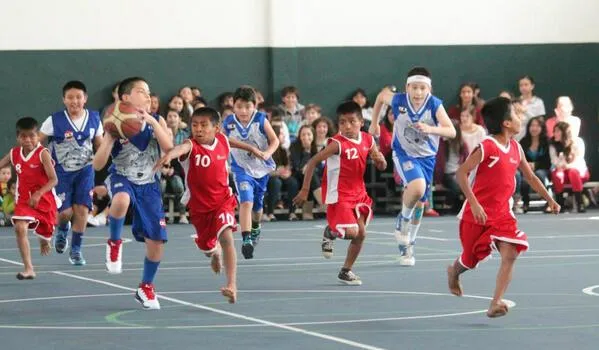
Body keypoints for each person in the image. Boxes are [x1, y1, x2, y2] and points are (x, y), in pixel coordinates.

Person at [446, 97, 560, 318]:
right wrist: (474, 203)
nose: (520, 119)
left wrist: (550, 199)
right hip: (476, 214)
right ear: (506, 123)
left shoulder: (516, 148)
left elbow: (531, 177)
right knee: (470, 259)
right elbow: (461, 173)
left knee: (511, 253)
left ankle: (495, 302)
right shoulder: (487, 146)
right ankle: (454, 272)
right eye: (516, 115)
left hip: (502, 214)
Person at [93, 76, 173, 310]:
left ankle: (145, 287)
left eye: (149, 92)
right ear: (125, 98)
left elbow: (168, 148)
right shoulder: (111, 124)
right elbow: (97, 165)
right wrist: (108, 138)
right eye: (141, 91)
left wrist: (152, 122)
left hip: (149, 185)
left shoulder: (156, 120)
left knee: (156, 243)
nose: (148, 96)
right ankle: (115, 241)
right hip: (122, 177)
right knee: (121, 200)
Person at [370, 67, 456, 266]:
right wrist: (374, 123)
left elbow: (451, 131)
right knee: (417, 188)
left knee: (420, 204)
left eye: (422, 88)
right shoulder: (399, 100)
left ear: (429, 89)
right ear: (407, 87)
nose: (418, 92)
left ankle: (409, 245)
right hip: (404, 154)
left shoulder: (434, 105)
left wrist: (431, 129)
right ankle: (402, 221)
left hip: (427, 158)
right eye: (414, 88)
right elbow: (382, 97)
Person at [294, 101, 387, 285]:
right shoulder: (337, 143)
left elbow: (381, 164)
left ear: (361, 122)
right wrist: (305, 190)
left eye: (352, 121)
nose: (347, 126)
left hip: (359, 193)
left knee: (361, 234)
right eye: (342, 122)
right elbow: (312, 162)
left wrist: (381, 161)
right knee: (352, 232)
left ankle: (346, 271)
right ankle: (330, 231)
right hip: (340, 195)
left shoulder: (368, 139)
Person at [156, 107, 238, 303]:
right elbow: (180, 148)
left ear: (216, 128)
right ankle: (214, 252)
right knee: (207, 246)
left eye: (203, 125)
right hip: (200, 208)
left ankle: (232, 284)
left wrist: (254, 149)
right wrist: (170, 155)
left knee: (227, 237)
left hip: (223, 201)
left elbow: (234, 142)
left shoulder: (223, 141)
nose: (198, 129)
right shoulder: (190, 145)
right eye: (194, 125)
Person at [39, 80, 103, 265]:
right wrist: (42, 162)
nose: (74, 101)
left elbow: (100, 144)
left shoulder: (94, 118)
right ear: (64, 100)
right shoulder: (54, 120)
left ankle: (76, 250)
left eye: (78, 97)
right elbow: (38, 141)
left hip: (85, 170)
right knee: (65, 213)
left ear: (85, 99)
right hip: (61, 172)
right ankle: (62, 228)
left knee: (82, 209)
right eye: (70, 97)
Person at [222, 86, 279, 259]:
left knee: (257, 207)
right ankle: (246, 239)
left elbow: (274, 140)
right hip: (241, 168)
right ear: (233, 106)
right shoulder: (229, 122)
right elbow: (223, 140)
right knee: (245, 201)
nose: (243, 111)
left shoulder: (261, 119)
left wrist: (267, 153)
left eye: (247, 106)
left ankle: (256, 227)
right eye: (239, 106)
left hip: (261, 168)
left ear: (254, 106)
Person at [0, 117, 59, 279]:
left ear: (37, 136)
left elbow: (54, 180)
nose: (28, 140)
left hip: (44, 201)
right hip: (24, 201)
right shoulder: (14, 153)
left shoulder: (43, 154)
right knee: (20, 227)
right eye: (23, 136)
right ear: (18, 137)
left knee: (45, 234)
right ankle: (29, 268)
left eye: (32, 136)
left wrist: (39, 193)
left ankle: (44, 239)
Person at [549, 122, 589, 212]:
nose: (555, 134)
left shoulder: (578, 142)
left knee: (573, 172)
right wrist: (560, 164)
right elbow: (554, 160)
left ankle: (580, 204)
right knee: (557, 174)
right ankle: (560, 205)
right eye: (554, 131)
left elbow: (579, 160)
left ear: (564, 132)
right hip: (562, 172)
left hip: (579, 172)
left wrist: (567, 166)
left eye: (557, 131)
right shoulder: (553, 144)